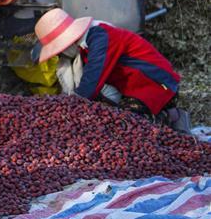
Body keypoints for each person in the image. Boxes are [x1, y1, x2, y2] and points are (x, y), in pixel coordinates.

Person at [34, 8, 191, 131]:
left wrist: (72, 105)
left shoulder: (100, 37)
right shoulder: (86, 44)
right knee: (110, 116)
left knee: (128, 123)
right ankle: (168, 115)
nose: (61, 53)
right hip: (133, 86)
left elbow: (93, 77)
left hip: (155, 83)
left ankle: (171, 117)